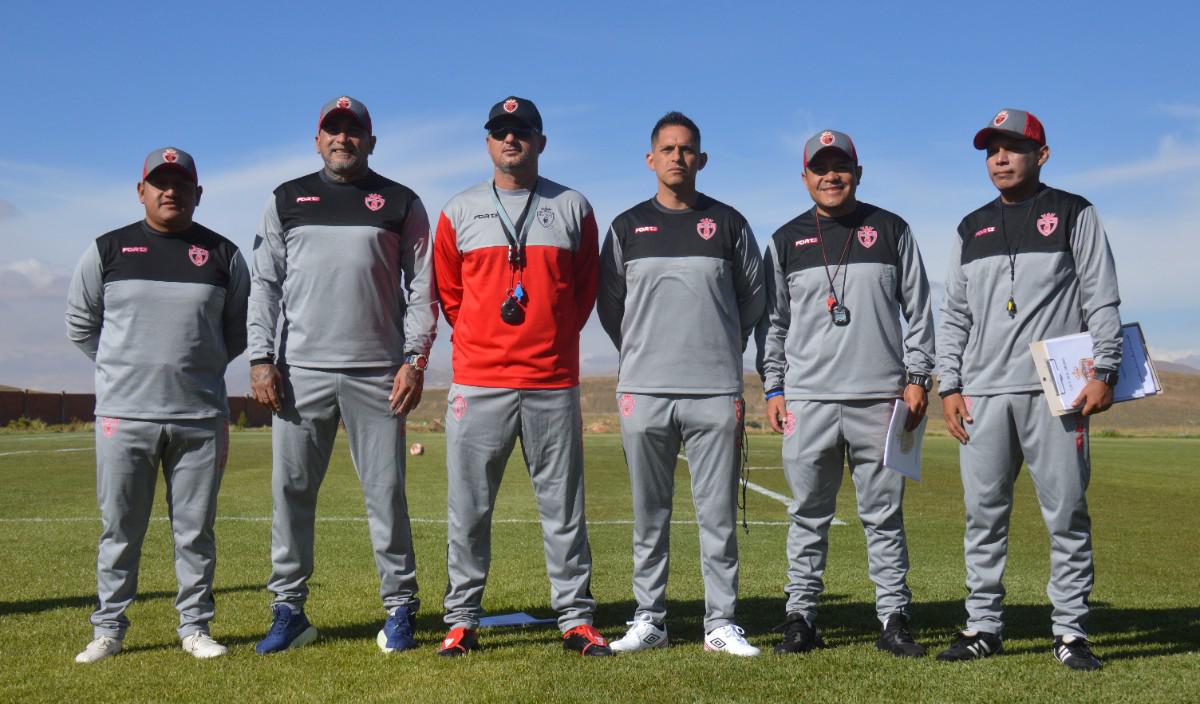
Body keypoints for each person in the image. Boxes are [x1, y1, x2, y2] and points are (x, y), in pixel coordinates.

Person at [247, 96, 437, 654]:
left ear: (371, 142)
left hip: (379, 374)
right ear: (317, 139)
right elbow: (265, 285)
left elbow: (421, 288)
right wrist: (261, 357)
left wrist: (414, 359)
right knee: (291, 493)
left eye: (354, 132)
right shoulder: (286, 199)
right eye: (333, 130)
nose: (343, 139)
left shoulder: (400, 202)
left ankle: (400, 608)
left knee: (386, 495)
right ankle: (289, 611)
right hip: (301, 372)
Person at [936, 108, 1122, 671]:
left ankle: (1070, 632)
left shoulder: (1074, 212)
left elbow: (1101, 295)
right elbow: (954, 315)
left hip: (1056, 395)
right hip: (984, 394)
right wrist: (950, 384)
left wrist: (1106, 369)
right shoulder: (971, 227)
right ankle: (983, 626)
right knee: (983, 516)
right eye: (992, 149)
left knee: (1065, 514)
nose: (1000, 157)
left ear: (1041, 154)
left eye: (1013, 147)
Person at [433, 96, 608, 657]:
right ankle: (461, 619)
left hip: (552, 381)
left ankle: (575, 618)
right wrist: (488, 341)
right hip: (479, 382)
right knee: (470, 509)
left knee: (562, 510)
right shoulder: (458, 210)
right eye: (501, 132)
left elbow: (581, 295)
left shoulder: (573, 206)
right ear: (488, 142)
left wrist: (548, 338)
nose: (512, 140)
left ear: (541, 140)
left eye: (523, 131)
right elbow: (450, 297)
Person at [66, 147, 249, 662]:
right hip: (124, 418)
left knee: (195, 531)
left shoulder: (223, 255)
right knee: (120, 530)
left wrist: (195, 369)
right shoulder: (108, 250)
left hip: (199, 418)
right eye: (160, 183)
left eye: (181, 183)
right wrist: (123, 369)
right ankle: (108, 630)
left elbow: (235, 332)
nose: (171, 191)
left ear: (198, 192)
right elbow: (80, 324)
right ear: (141, 190)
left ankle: (195, 626)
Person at [758, 130, 935, 657]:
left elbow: (920, 310)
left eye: (841, 167)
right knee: (807, 515)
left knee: (883, 516)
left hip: (882, 398)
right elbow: (772, 323)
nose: (831, 176)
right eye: (820, 167)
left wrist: (918, 377)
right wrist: (774, 384)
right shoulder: (786, 239)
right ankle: (800, 617)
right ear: (805, 175)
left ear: (858, 171)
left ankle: (894, 616)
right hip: (808, 401)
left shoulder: (890, 229)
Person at [598, 111, 765, 656]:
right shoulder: (626, 227)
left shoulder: (730, 224)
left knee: (716, 514)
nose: (677, 157)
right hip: (644, 390)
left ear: (702, 159)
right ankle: (650, 619)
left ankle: (720, 622)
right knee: (651, 513)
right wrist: (648, 350)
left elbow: (754, 299)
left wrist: (719, 346)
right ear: (651, 159)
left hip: (716, 390)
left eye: (687, 149)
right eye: (667, 149)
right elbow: (611, 306)